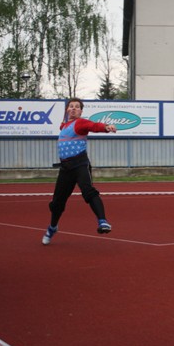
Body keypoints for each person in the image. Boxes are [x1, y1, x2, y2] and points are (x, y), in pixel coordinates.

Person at [42, 98, 117, 245]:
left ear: (81, 111)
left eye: (77, 107)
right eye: (71, 106)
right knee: (57, 203)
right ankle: (52, 227)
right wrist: (64, 124)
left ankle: (102, 221)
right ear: (67, 110)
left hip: (80, 165)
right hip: (65, 169)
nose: (74, 108)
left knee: (88, 192)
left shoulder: (80, 122)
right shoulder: (64, 126)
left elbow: (93, 126)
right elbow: (65, 125)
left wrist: (106, 127)